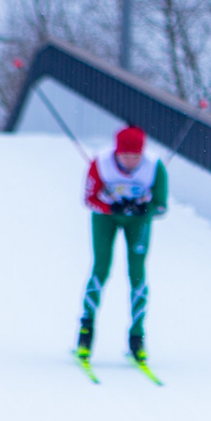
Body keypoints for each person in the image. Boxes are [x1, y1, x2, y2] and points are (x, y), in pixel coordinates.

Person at [76, 125, 168, 369]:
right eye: (125, 156)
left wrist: (143, 209)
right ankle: (86, 331)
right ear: (116, 152)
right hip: (106, 219)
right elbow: (89, 198)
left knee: (137, 273)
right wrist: (111, 208)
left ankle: (137, 338)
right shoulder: (101, 164)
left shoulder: (154, 167)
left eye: (136, 157)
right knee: (101, 269)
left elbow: (161, 205)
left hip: (138, 222)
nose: (130, 162)